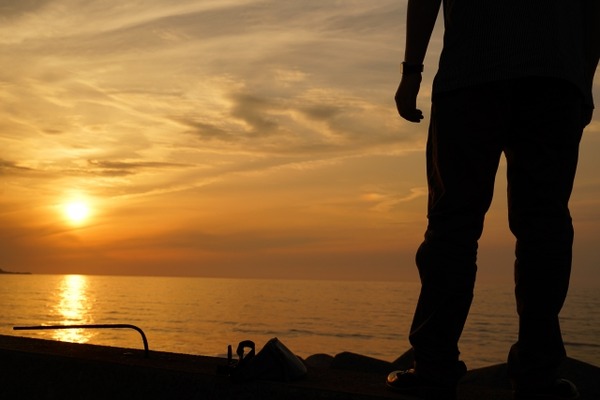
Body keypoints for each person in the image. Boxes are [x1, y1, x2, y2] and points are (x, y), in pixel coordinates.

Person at [387, 1, 599, 400]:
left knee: (453, 225)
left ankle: (434, 367)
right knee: (543, 227)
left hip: (472, 75)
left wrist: (411, 71)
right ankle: (537, 375)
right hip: (554, 79)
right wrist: (583, 78)